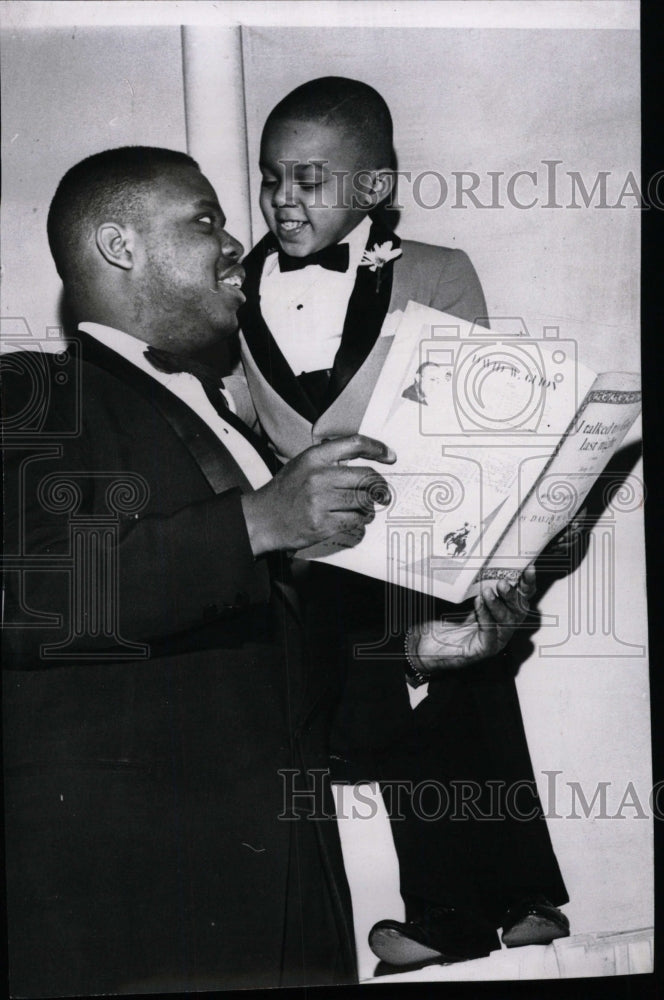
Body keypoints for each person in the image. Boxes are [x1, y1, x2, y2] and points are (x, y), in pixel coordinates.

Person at [1, 145, 405, 995]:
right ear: (120, 245)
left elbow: (277, 675)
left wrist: (414, 658)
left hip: (294, 905)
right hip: (140, 913)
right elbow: (33, 594)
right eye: (205, 220)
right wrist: (256, 520)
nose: (238, 243)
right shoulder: (32, 391)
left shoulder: (239, 435)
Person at [237, 77, 570, 969]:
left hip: (423, 524)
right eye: (270, 177)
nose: (282, 199)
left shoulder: (438, 268)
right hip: (312, 545)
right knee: (394, 694)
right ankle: (470, 907)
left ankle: (513, 898)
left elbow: (482, 414)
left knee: (466, 670)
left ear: (375, 187)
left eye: (308, 179)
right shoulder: (234, 287)